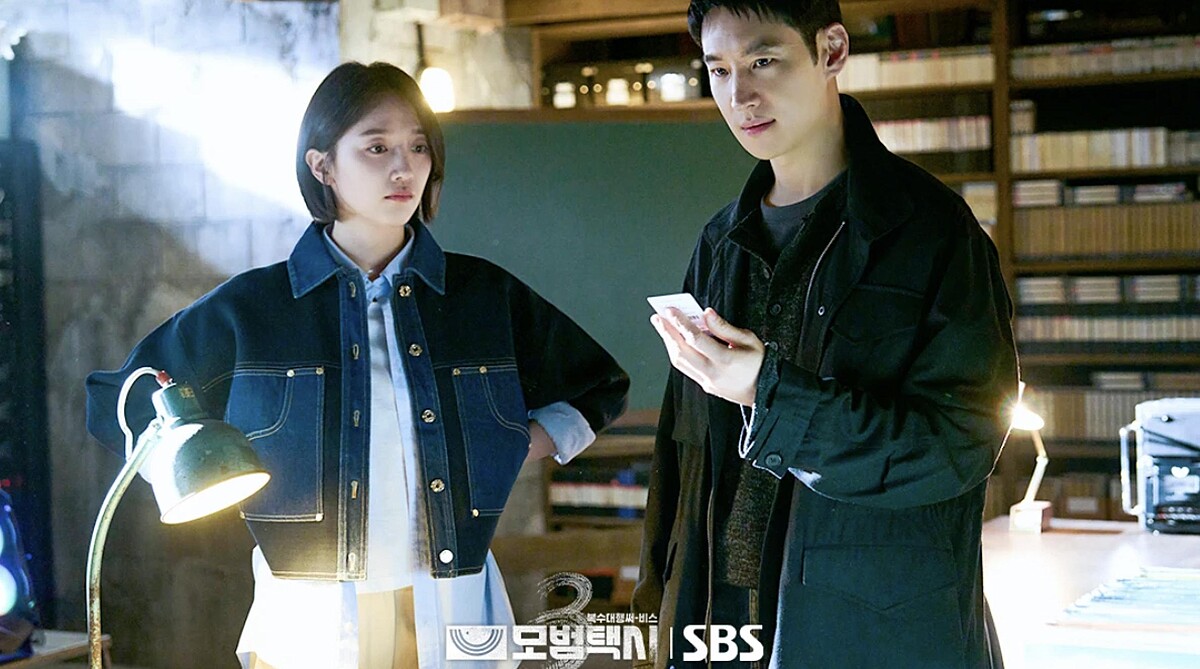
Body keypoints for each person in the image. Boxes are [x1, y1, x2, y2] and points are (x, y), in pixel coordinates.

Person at [85, 62, 629, 669]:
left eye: (418, 147)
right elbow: (117, 399)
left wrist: (508, 445)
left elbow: (598, 386)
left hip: (452, 600)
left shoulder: (481, 297)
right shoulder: (254, 310)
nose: (405, 168)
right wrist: (187, 465)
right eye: (376, 147)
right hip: (311, 616)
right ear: (322, 166)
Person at [632, 1, 1018, 667]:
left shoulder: (932, 232)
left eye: (763, 61)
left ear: (831, 51)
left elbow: (958, 447)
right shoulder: (720, 241)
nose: (739, 95)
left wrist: (769, 393)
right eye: (718, 70)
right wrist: (659, 606)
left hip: (870, 629)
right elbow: (681, 453)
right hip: (722, 624)